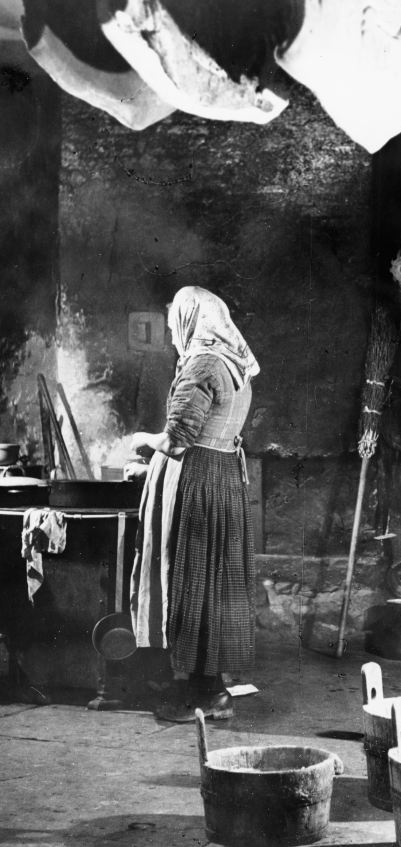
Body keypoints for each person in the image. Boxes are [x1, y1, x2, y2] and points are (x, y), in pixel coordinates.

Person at [129, 286, 260, 722]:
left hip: (198, 482)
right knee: (216, 582)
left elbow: (177, 442)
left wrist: (140, 440)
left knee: (191, 578)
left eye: (174, 326)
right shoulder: (238, 364)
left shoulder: (203, 365)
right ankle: (208, 685)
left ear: (191, 320)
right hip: (223, 478)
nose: (172, 336)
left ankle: (201, 693)